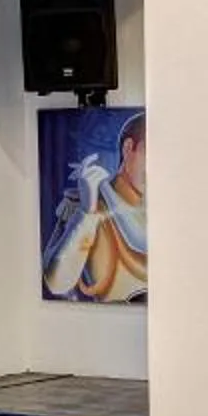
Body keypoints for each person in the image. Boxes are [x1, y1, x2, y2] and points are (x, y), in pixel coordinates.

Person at [42, 110, 146, 303]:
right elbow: (57, 283)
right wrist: (87, 213)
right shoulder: (88, 203)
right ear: (128, 148)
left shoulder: (162, 210)